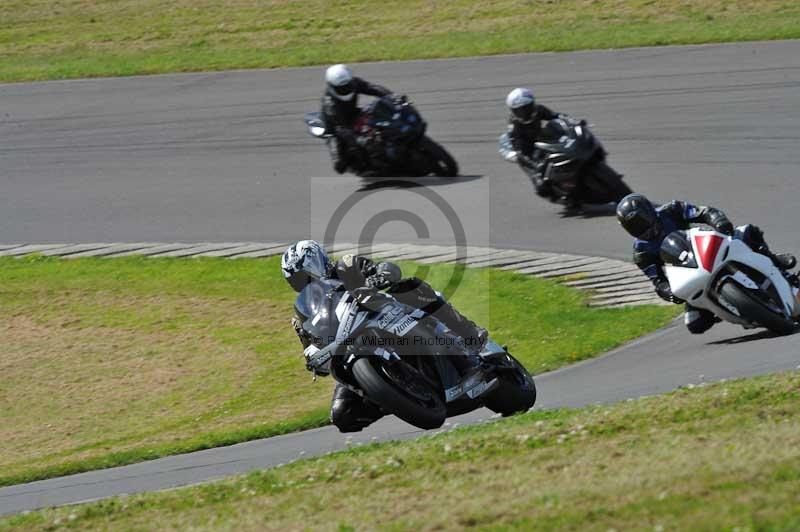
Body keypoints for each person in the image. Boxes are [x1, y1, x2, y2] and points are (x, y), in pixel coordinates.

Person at [281, 240, 487, 432]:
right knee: (342, 414)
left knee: (411, 287)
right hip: (351, 348)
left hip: (387, 317)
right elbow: (311, 342)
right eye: (295, 281)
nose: (301, 284)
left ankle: (468, 333)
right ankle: (396, 396)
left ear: (316, 262)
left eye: (302, 276)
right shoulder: (306, 310)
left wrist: (380, 275)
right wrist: (313, 356)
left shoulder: (346, 266)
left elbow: (385, 268)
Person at [617, 193, 797, 334]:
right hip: (689, 273)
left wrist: (720, 222)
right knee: (695, 324)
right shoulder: (642, 252)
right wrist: (669, 293)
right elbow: (657, 281)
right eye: (634, 227)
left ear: (650, 212)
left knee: (747, 232)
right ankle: (733, 309)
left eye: (642, 222)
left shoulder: (672, 209)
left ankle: (775, 261)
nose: (643, 229)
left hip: (707, 249)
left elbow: (705, 212)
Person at [505, 87, 571, 203]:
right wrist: (534, 165)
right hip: (528, 153)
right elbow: (519, 151)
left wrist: (570, 121)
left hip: (541, 141)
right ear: (513, 111)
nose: (524, 112)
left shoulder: (538, 110)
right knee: (541, 187)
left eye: (527, 108)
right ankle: (563, 199)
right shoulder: (514, 126)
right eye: (520, 110)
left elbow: (555, 116)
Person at [321, 64, 391, 174]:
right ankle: (363, 167)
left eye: (347, 85)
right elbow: (342, 129)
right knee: (340, 165)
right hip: (336, 127)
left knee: (381, 121)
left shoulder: (355, 83)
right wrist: (358, 141)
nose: (345, 89)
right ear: (331, 86)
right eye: (340, 88)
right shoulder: (330, 105)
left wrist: (391, 97)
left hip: (354, 114)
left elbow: (372, 88)